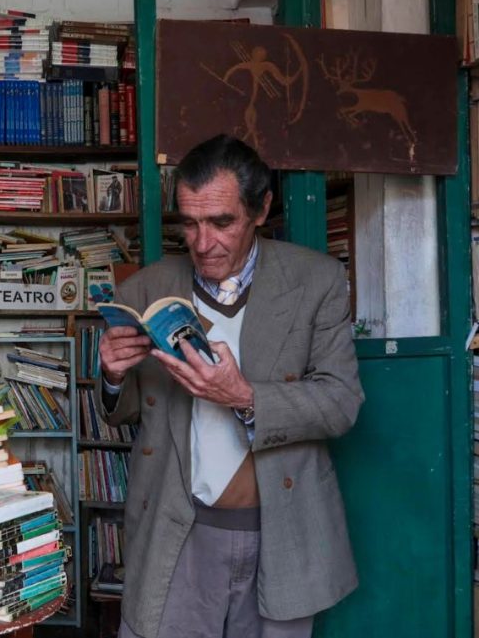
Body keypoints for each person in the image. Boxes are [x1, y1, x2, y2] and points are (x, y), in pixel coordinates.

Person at [98, 134, 363, 638]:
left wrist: (243, 397)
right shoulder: (145, 290)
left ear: (260, 210)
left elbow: (342, 403)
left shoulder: (317, 281)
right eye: (189, 223)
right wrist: (112, 375)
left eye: (221, 223)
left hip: (285, 529)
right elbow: (126, 412)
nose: (202, 244)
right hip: (175, 527)